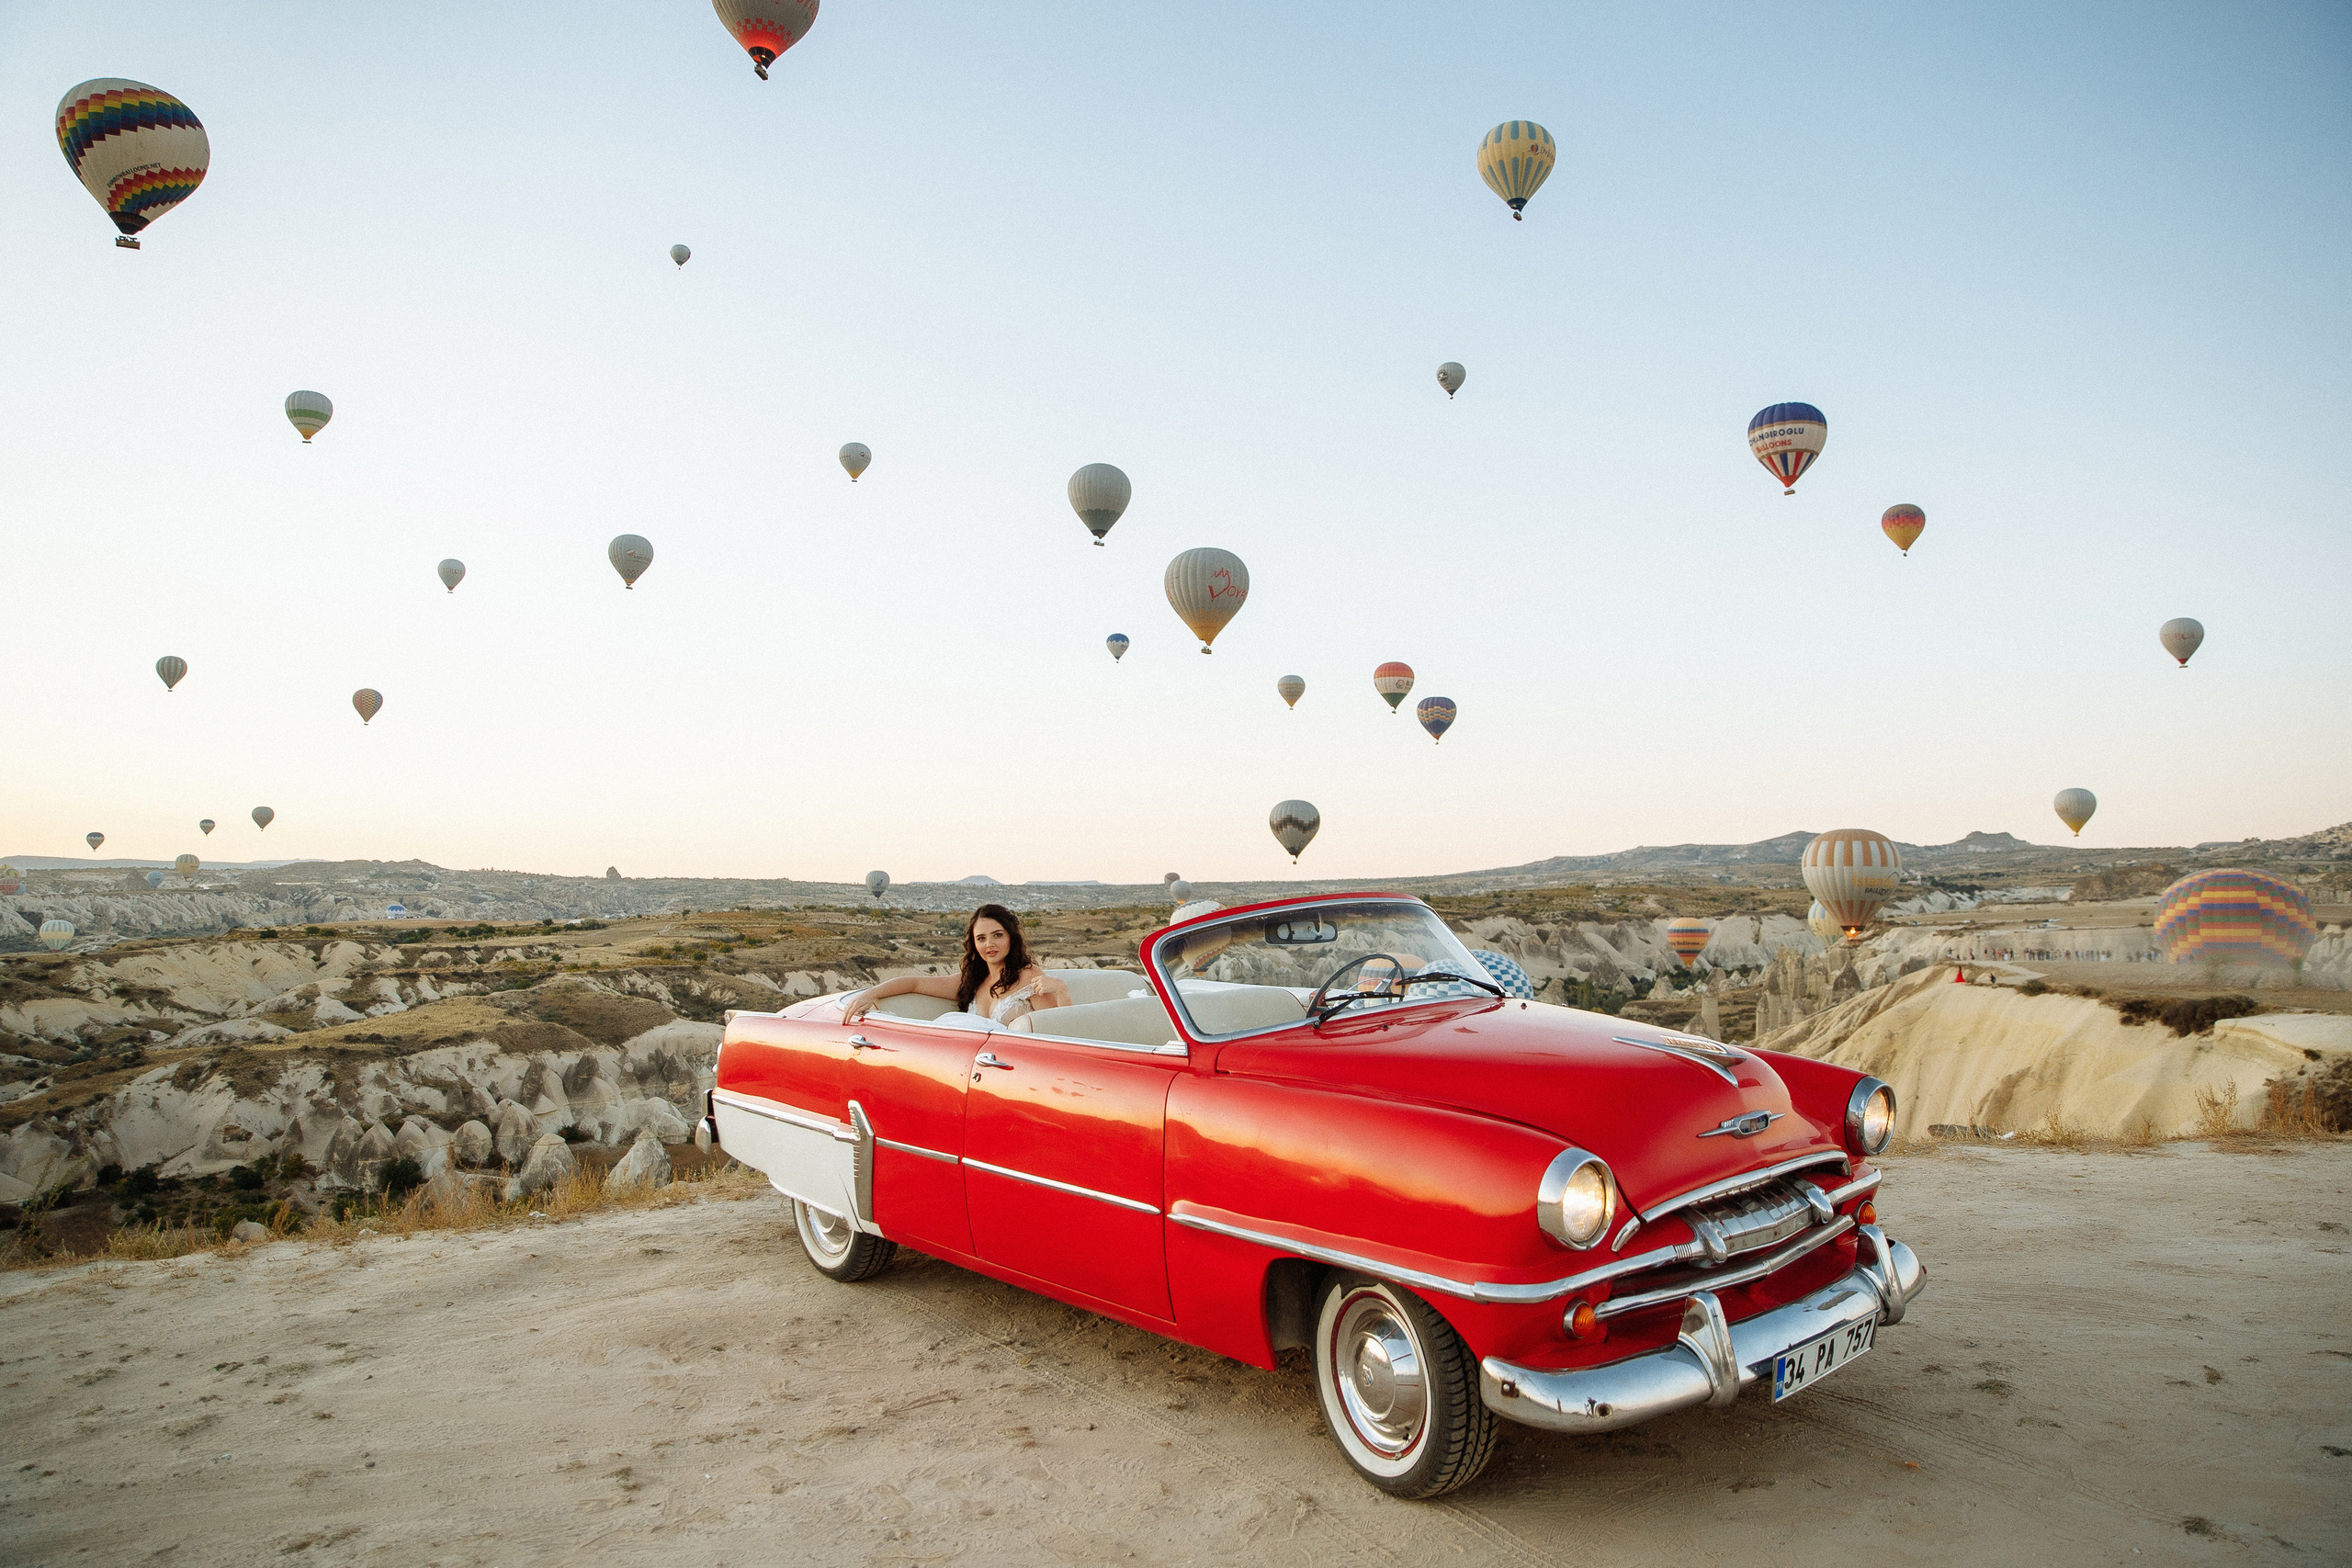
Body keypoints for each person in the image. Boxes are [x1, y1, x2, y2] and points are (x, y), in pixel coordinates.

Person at [841, 904, 1071, 1029]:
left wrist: (1060, 989)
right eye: (981, 938)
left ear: (1012, 937)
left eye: (997, 935)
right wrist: (870, 993)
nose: (989, 944)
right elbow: (914, 982)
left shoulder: (1029, 976)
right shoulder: (972, 979)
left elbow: (1059, 1031)